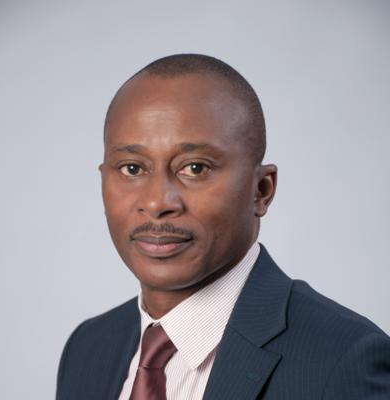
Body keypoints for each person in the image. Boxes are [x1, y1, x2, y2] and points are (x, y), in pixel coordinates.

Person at [56, 54, 390, 400]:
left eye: (195, 168)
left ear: (261, 190)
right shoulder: (87, 349)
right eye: (132, 168)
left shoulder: (343, 360)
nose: (156, 202)